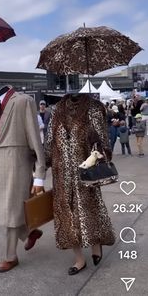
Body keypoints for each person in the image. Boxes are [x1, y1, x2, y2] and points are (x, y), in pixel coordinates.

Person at [45, 93, 115, 276]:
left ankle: (96, 243)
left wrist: (96, 149)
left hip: (85, 172)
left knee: (90, 210)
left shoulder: (93, 108)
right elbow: (49, 142)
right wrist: (42, 163)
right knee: (67, 217)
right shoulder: (57, 110)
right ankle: (79, 259)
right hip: (61, 174)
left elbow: (103, 141)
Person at [0, 85, 46, 273]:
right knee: (7, 210)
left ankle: (10, 257)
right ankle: (30, 232)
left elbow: (35, 138)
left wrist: (39, 175)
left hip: (18, 164)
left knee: (10, 213)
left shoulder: (23, 100)